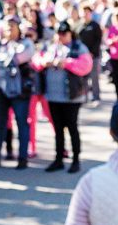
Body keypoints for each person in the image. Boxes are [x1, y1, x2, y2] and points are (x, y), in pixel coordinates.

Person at [34, 21, 92, 173]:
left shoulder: (79, 47)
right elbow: (36, 61)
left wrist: (66, 63)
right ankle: (59, 158)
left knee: (72, 127)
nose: (61, 36)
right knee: (58, 129)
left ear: (70, 33)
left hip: (71, 96)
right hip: (53, 95)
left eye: (64, 33)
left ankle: (75, 160)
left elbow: (86, 66)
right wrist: (44, 62)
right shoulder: (51, 47)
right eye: (59, 33)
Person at [0, 17, 34, 169]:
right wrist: (7, 59)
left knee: (21, 122)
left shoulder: (26, 43)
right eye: (6, 27)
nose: (9, 29)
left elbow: (20, 58)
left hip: (20, 90)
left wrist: (3, 60)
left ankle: (22, 157)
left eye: (12, 26)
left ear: (19, 28)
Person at [79, 4, 103, 104]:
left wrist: (92, 52)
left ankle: (96, 96)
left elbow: (98, 40)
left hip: (93, 55)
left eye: (87, 12)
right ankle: (84, 96)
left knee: (94, 77)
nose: (85, 14)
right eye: (83, 12)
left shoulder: (95, 25)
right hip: (82, 56)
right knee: (83, 78)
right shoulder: (79, 25)